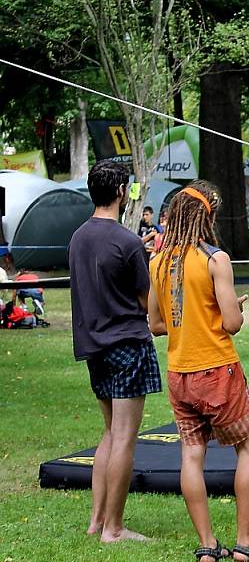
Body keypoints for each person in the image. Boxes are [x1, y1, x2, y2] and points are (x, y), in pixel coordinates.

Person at [148, 180, 249, 562]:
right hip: (217, 372)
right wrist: (233, 307)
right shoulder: (214, 259)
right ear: (207, 216)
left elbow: (156, 324)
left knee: (192, 454)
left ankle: (208, 546)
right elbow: (232, 323)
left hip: (179, 374)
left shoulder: (157, 262)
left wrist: (195, 317)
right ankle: (245, 544)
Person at [68, 160, 161, 542]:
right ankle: (115, 529)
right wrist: (149, 261)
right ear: (121, 191)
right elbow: (148, 304)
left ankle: (97, 521)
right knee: (123, 437)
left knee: (108, 434)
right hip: (127, 344)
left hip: (94, 347)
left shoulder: (77, 237)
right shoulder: (127, 241)